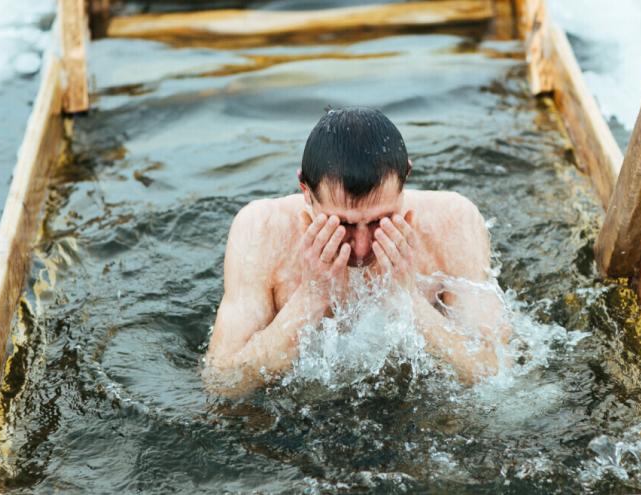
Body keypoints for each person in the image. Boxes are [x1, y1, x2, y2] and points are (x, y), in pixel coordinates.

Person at [203, 107, 508, 398]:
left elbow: (494, 372)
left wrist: (407, 300)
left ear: (405, 179)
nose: (361, 248)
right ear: (305, 191)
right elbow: (223, 382)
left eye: (379, 220)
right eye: (342, 224)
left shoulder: (453, 222)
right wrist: (311, 297)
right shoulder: (261, 229)